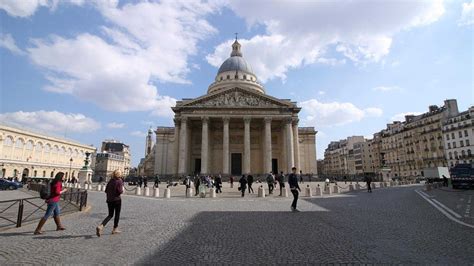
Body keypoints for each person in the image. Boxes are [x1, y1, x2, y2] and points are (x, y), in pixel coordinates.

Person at [96, 170, 124, 237]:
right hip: (117, 200)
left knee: (110, 215)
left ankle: (101, 226)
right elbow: (120, 191)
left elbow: (106, 191)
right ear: (119, 175)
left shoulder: (110, 181)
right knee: (117, 214)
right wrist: (121, 190)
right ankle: (115, 229)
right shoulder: (119, 181)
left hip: (109, 200)